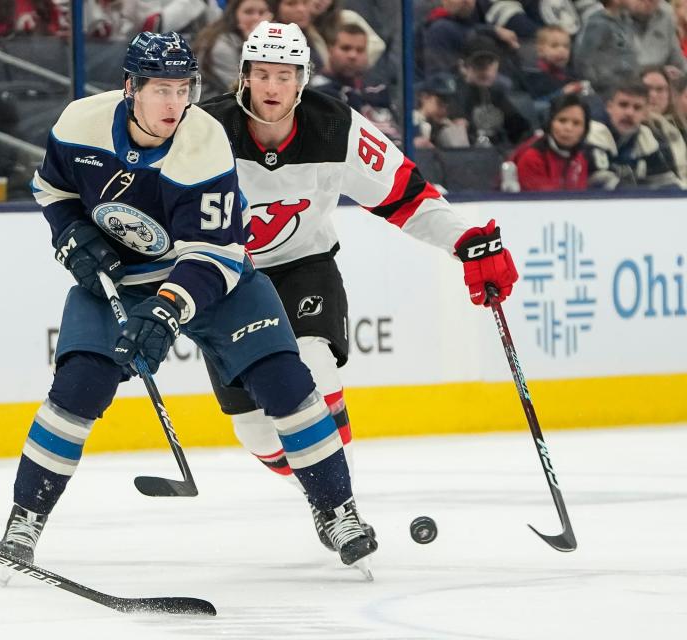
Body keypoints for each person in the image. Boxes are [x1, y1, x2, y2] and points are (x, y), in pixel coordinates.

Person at [0, 30, 383, 579]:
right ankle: (24, 520)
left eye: (184, 89)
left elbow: (216, 255)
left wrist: (167, 309)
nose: (175, 103)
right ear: (130, 87)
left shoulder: (203, 142)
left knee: (285, 380)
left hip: (213, 279)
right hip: (121, 279)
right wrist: (71, 235)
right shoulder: (79, 123)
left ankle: (337, 511)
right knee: (78, 386)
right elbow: (51, 190)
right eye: (161, 90)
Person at [198, 21, 518, 543]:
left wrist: (468, 242)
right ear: (244, 77)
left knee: (314, 365)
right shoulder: (204, 130)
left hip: (305, 266)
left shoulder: (337, 128)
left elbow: (406, 195)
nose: (272, 88)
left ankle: (336, 506)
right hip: (230, 279)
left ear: (302, 80)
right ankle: (317, 485)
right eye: (262, 75)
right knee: (256, 431)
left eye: (284, 75)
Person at [587, 80, 685, 189]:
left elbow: (664, 181)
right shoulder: (594, 131)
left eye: (637, 108)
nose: (629, 113)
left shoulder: (645, 135)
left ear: (645, 113)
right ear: (609, 107)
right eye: (623, 105)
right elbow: (599, 181)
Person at [511, 93, 595, 191]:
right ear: (550, 123)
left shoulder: (580, 159)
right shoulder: (531, 158)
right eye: (562, 120)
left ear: (585, 130)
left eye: (576, 123)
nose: (568, 128)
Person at [193, 0, 274, 99]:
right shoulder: (221, 46)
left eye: (262, 12)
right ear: (234, 15)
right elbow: (243, 89)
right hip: (213, 108)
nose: (256, 18)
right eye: (248, 12)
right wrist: (254, 43)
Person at [640, 65, 687, 181]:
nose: (653, 95)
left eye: (660, 89)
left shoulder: (679, 128)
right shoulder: (633, 131)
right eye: (647, 89)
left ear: (669, 95)